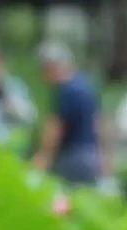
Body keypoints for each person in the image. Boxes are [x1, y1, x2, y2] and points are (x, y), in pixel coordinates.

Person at [31, 42, 101, 186]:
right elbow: (97, 122)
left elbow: (55, 127)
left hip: (72, 157)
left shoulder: (65, 91)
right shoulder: (84, 85)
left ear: (52, 67)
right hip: (90, 154)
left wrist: (42, 157)